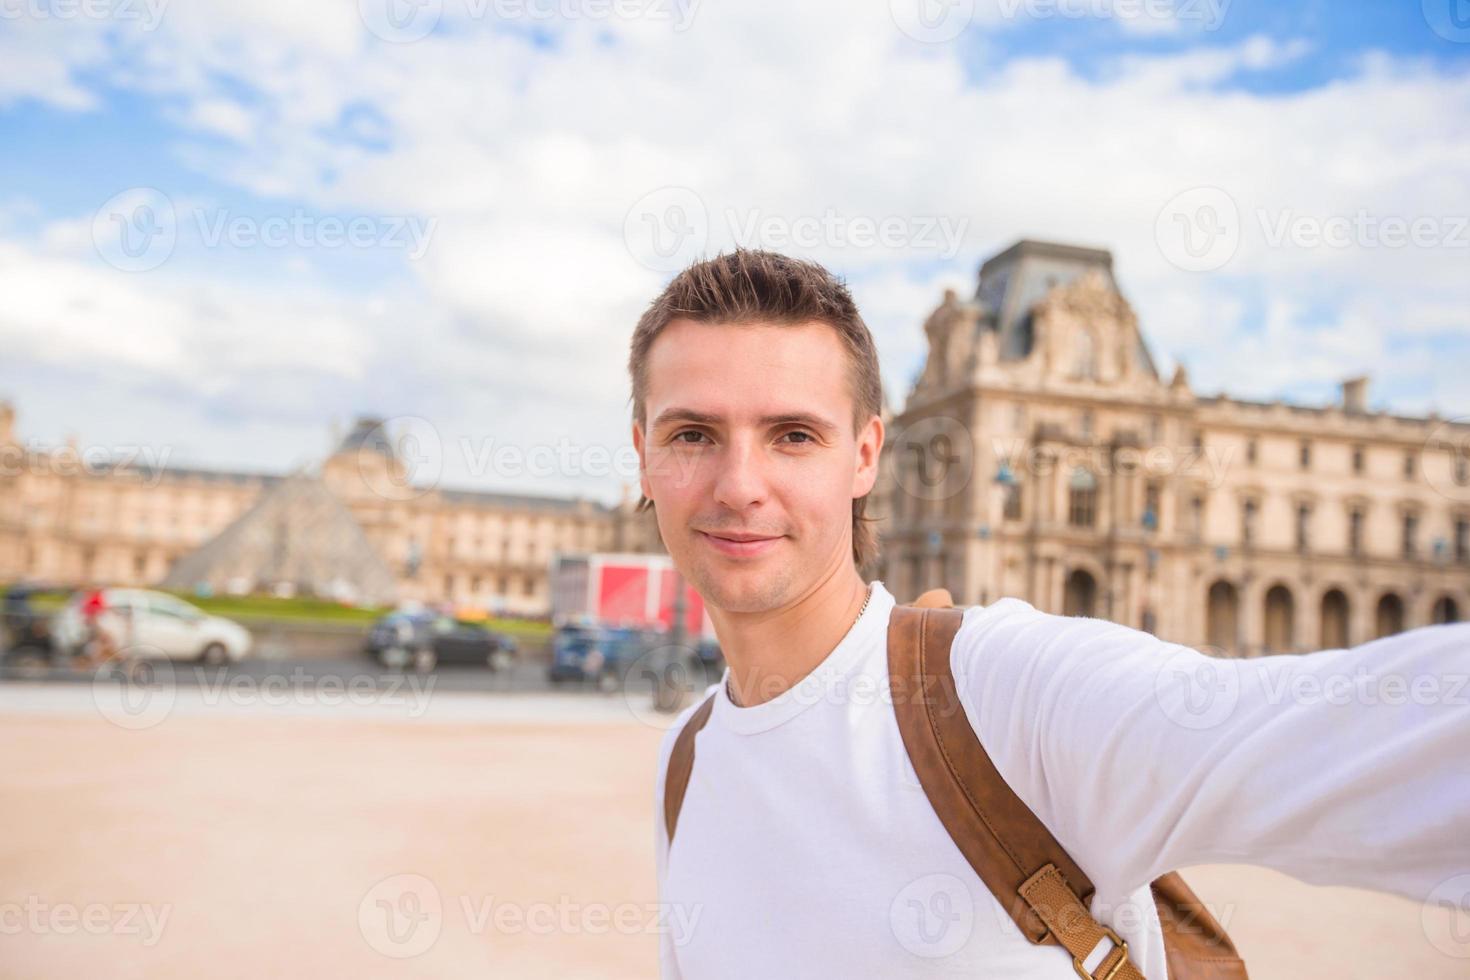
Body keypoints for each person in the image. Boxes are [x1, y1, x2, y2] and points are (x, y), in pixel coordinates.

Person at [631, 250, 1470, 978]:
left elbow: (1364, 740)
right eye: (694, 434)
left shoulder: (1009, 693)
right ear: (643, 454)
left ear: (865, 456)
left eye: (792, 435)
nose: (739, 485)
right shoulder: (688, 760)